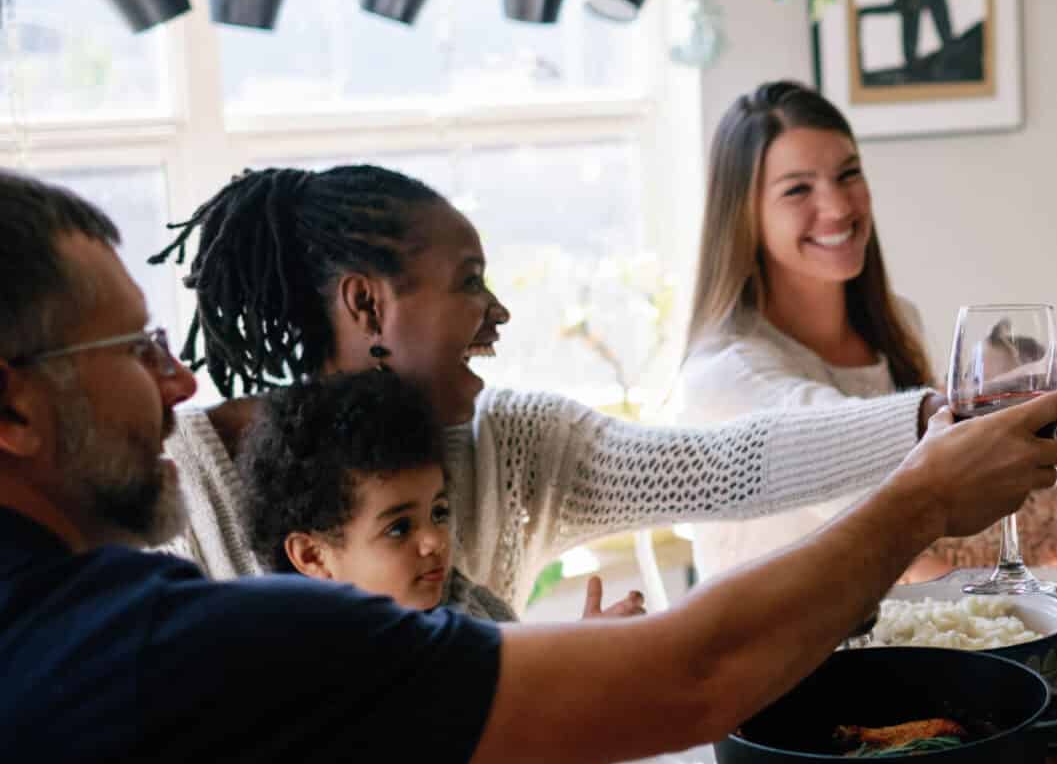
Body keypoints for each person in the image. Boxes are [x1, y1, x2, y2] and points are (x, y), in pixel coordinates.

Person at [0, 168, 1057, 764]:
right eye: (134, 349)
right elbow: (691, 675)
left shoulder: (113, 623)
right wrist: (920, 501)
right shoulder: (163, 643)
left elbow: (726, 468)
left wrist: (934, 426)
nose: (177, 379)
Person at [148, 163, 941, 619]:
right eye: (469, 283)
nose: (498, 314)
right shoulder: (175, 484)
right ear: (368, 305)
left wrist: (940, 420)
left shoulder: (518, 445)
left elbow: (729, 465)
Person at [679, 81, 1057, 581]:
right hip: (790, 630)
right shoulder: (727, 375)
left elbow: (953, 514)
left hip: (898, 615)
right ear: (743, 215)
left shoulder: (895, 322)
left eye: (848, 174)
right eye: (797, 189)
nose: (838, 207)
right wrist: (1020, 401)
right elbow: (861, 468)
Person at [238, 368, 637, 616]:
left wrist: (582, 656)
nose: (435, 540)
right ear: (313, 556)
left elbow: (535, 702)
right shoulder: (322, 670)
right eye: (398, 528)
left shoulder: (473, 607)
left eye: (439, 513)